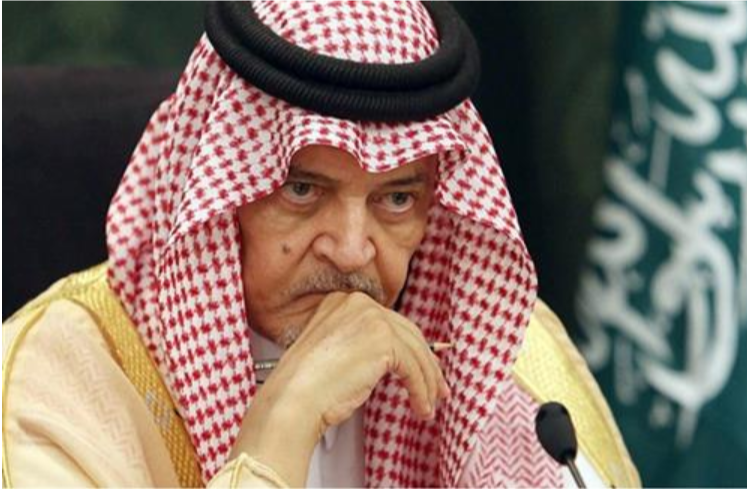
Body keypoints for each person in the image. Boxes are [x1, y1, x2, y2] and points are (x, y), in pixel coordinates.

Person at [2, 2, 640, 487]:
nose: (353, 250)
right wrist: (283, 425)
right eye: (303, 190)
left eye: (397, 198)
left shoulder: (507, 358)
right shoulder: (58, 383)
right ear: (216, 189)